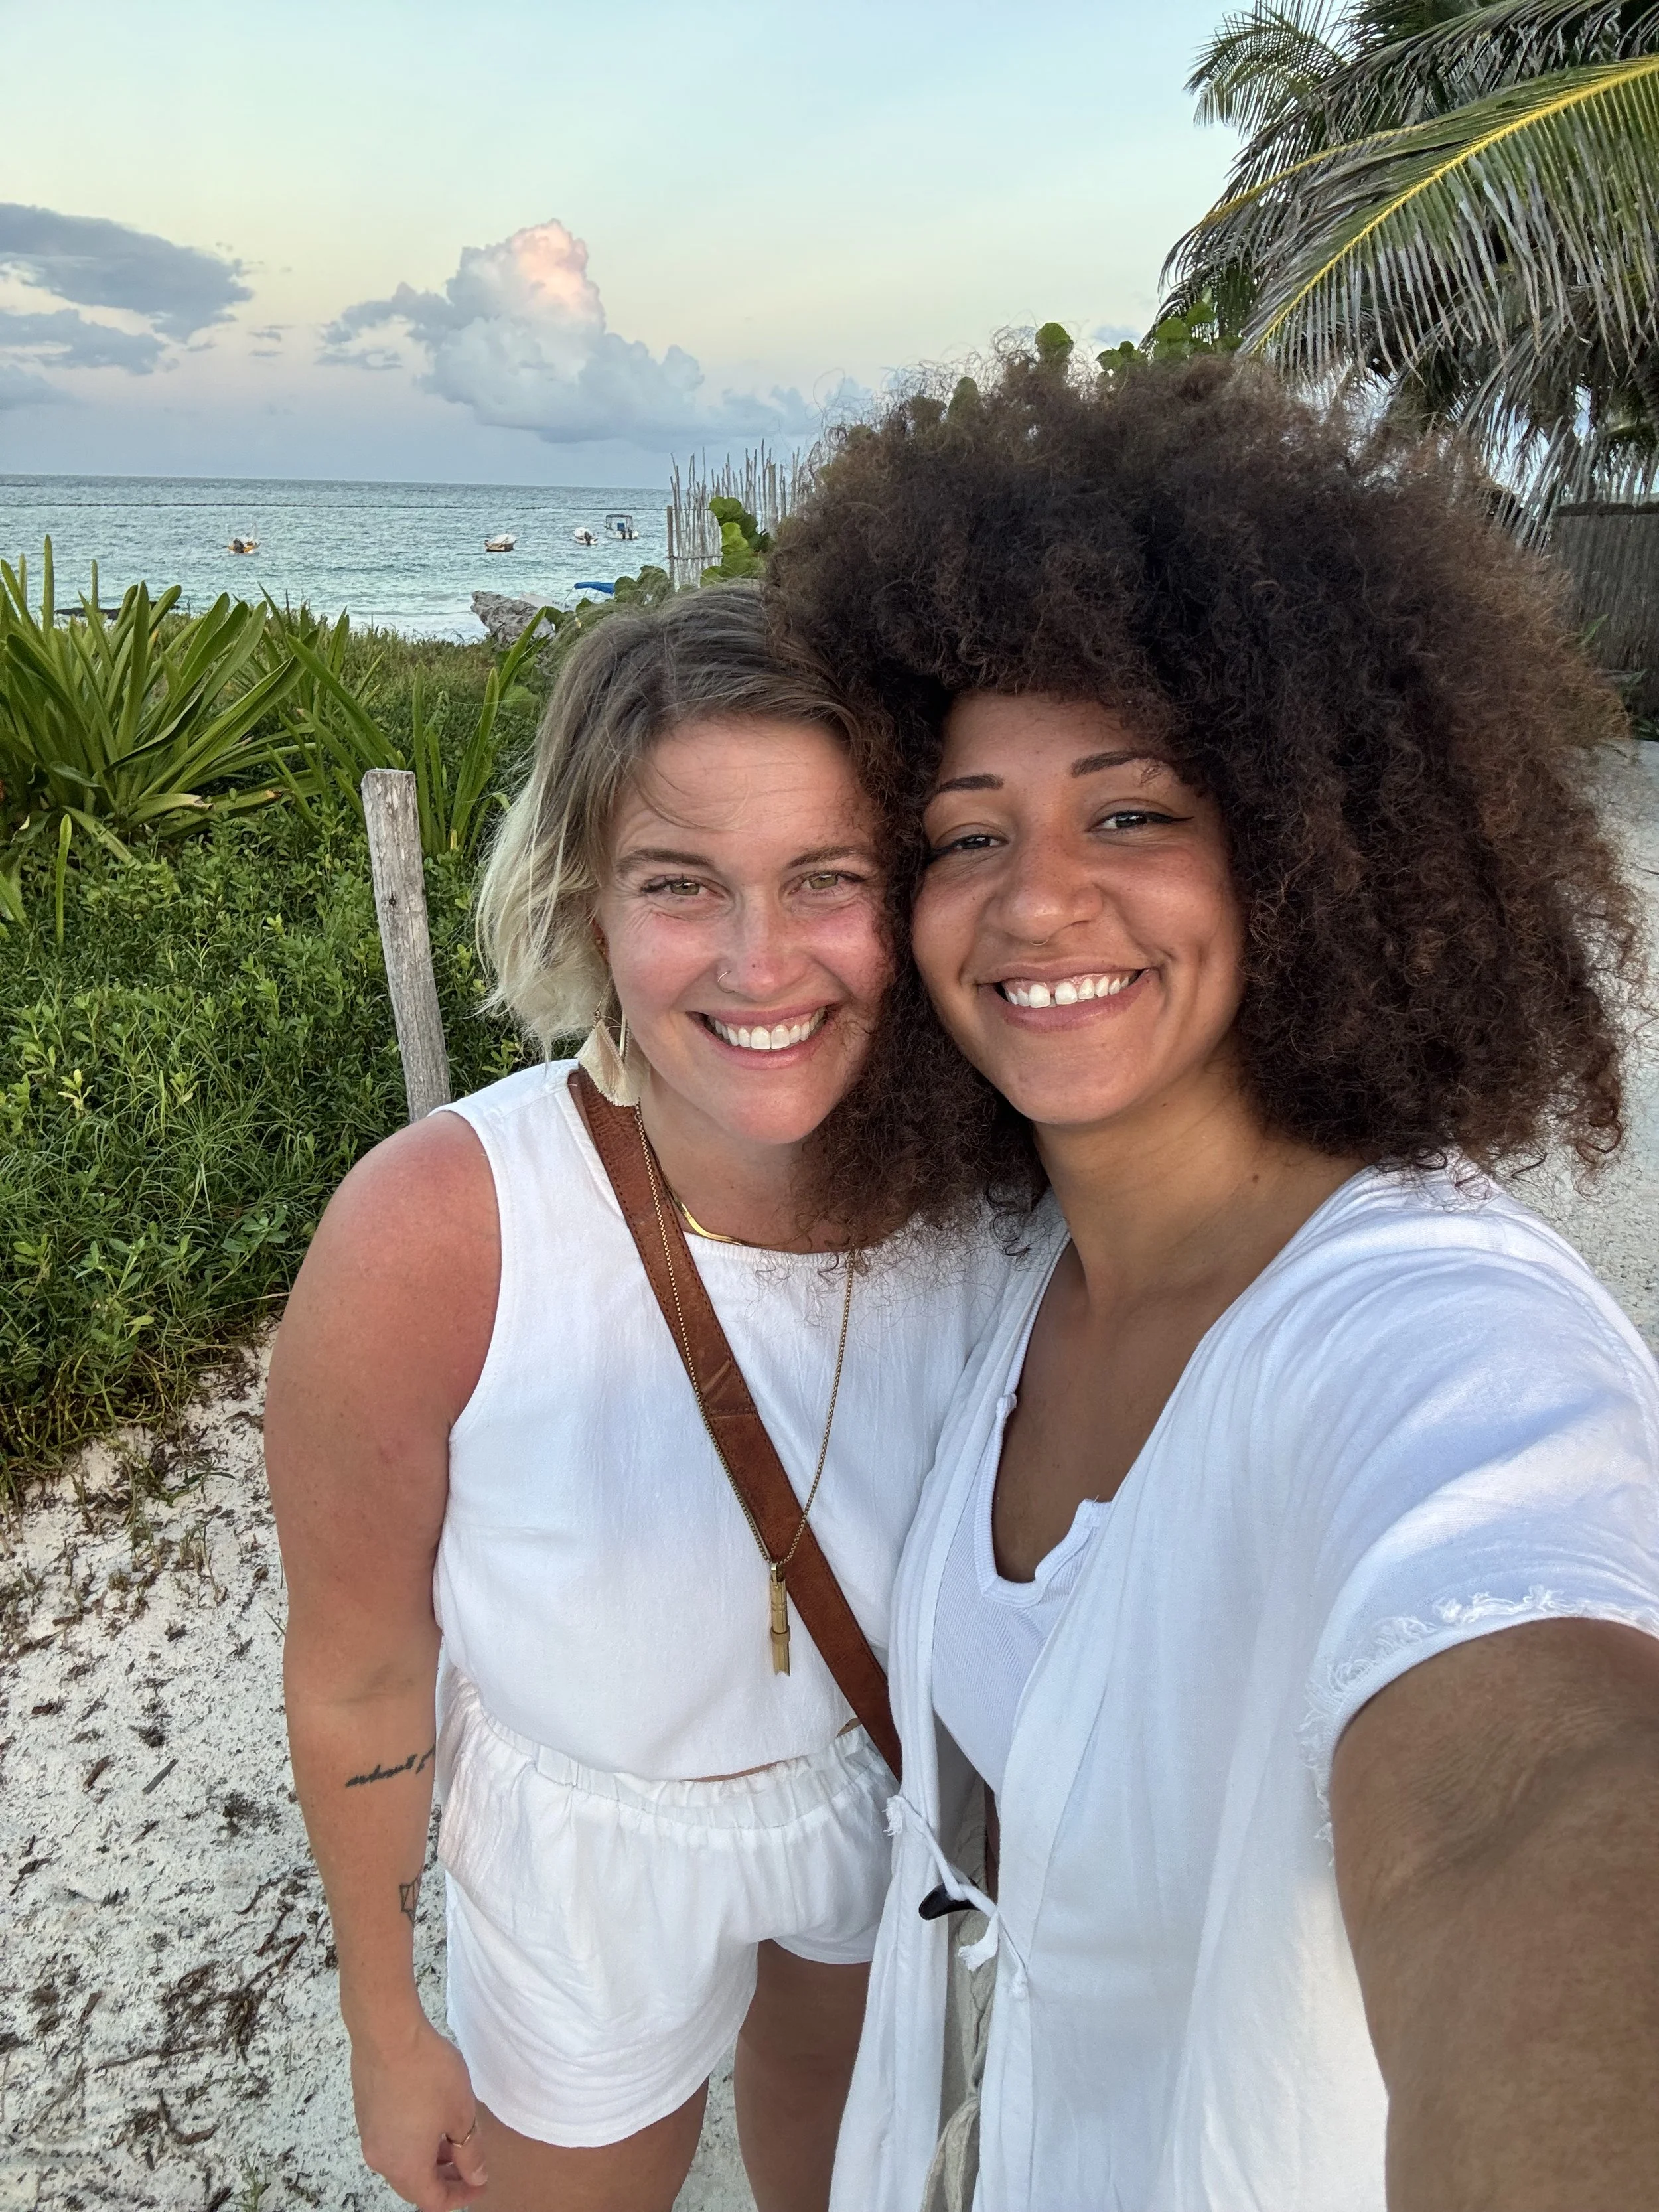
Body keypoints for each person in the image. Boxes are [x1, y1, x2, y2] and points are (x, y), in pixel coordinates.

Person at [768, 356, 1659, 2211]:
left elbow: (1524, 1806)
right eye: (961, 833)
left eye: (1132, 813)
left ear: (1309, 845)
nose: (1033, 904)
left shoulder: (1430, 1328)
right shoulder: (1014, 1272)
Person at [263, 587, 1014, 2212]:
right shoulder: (437, 1232)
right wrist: (385, 2018)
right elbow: (361, 1669)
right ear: (584, 903)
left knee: (831, 2131)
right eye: (681, 884)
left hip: (866, 1778)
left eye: (828, 878)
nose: (761, 964)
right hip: (578, 1849)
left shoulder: (995, 1210)